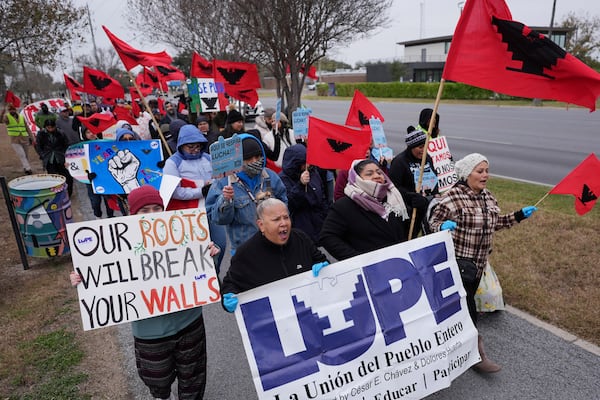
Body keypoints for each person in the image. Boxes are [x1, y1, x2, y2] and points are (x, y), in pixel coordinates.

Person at [70, 185, 219, 400]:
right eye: (145, 210)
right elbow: (105, 278)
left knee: (193, 376)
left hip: (189, 321)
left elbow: (203, 273)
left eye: (157, 208)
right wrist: (83, 278)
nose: (152, 215)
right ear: (133, 214)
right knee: (157, 379)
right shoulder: (118, 246)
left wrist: (210, 255)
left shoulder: (181, 235)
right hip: (150, 332)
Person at [428, 153, 537, 373]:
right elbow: (432, 223)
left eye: (487, 170)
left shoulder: (489, 197)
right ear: (467, 174)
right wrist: (442, 227)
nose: (485, 175)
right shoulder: (452, 197)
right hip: (458, 264)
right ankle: (476, 354)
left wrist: (518, 215)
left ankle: (446, 345)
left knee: (459, 308)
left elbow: (496, 223)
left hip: (478, 266)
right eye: (480, 171)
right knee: (467, 309)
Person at [219, 198, 329, 312]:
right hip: (274, 319)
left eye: (286, 217)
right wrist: (228, 297)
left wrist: (325, 269)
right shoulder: (245, 254)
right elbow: (230, 284)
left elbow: (320, 260)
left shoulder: (301, 239)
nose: (284, 223)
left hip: (309, 310)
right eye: (276, 219)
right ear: (261, 225)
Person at [205, 134, 288, 256]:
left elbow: (284, 203)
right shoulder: (223, 183)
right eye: (249, 158)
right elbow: (218, 219)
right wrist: (226, 201)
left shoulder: (270, 177)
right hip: (244, 251)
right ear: (238, 160)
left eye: (258, 156)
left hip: (275, 244)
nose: (255, 161)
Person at [163, 124, 227, 271]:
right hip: (189, 213)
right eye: (190, 147)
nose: (195, 150)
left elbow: (219, 177)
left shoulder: (208, 158)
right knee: (198, 249)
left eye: (198, 146)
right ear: (181, 145)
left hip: (212, 209)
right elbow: (174, 192)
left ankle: (215, 274)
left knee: (220, 245)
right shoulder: (172, 163)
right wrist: (200, 191)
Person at [320, 159, 410, 261]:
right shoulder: (344, 206)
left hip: (400, 261)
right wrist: (357, 259)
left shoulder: (394, 198)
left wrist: (418, 208)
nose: (377, 176)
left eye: (379, 172)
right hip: (371, 268)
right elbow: (328, 237)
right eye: (369, 174)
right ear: (357, 178)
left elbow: (406, 229)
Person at [388, 127, 439, 236]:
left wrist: (435, 194)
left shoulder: (427, 158)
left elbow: (434, 177)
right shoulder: (399, 162)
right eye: (420, 147)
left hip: (427, 205)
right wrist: (410, 196)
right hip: (409, 210)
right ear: (411, 147)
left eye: (425, 146)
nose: (423, 150)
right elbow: (393, 187)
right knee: (410, 236)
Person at [279, 144, 329, 243]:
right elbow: (290, 203)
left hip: (319, 223)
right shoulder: (283, 179)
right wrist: (300, 185)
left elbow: (322, 197)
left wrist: (326, 217)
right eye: (304, 163)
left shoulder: (313, 172)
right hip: (301, 226)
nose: (308, 165)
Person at [34, 119, 73, 197]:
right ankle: (55, 194)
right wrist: (42, 155)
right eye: (48, 127)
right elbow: (38, 146)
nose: (50, 129)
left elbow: (66, 144)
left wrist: (66, 155)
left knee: (67, 177)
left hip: (60, 158)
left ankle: (68, 193)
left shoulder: (61, 133)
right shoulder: (41, 134)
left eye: (52, 127)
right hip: (49, 158)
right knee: (52, 178)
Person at [2, 103, 35, 174]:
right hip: (15, 140)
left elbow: (27, 128)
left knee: (26, 155)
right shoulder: (7, 117)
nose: (11, 111)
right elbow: (2, 120)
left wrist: (32, 138)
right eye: (10, 110)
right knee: (22, 154)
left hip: (24, 138)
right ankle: (28, 169)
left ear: (15, 109)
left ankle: (25, 167)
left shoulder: (21, 117)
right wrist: (2, 113)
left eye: (12, 109)